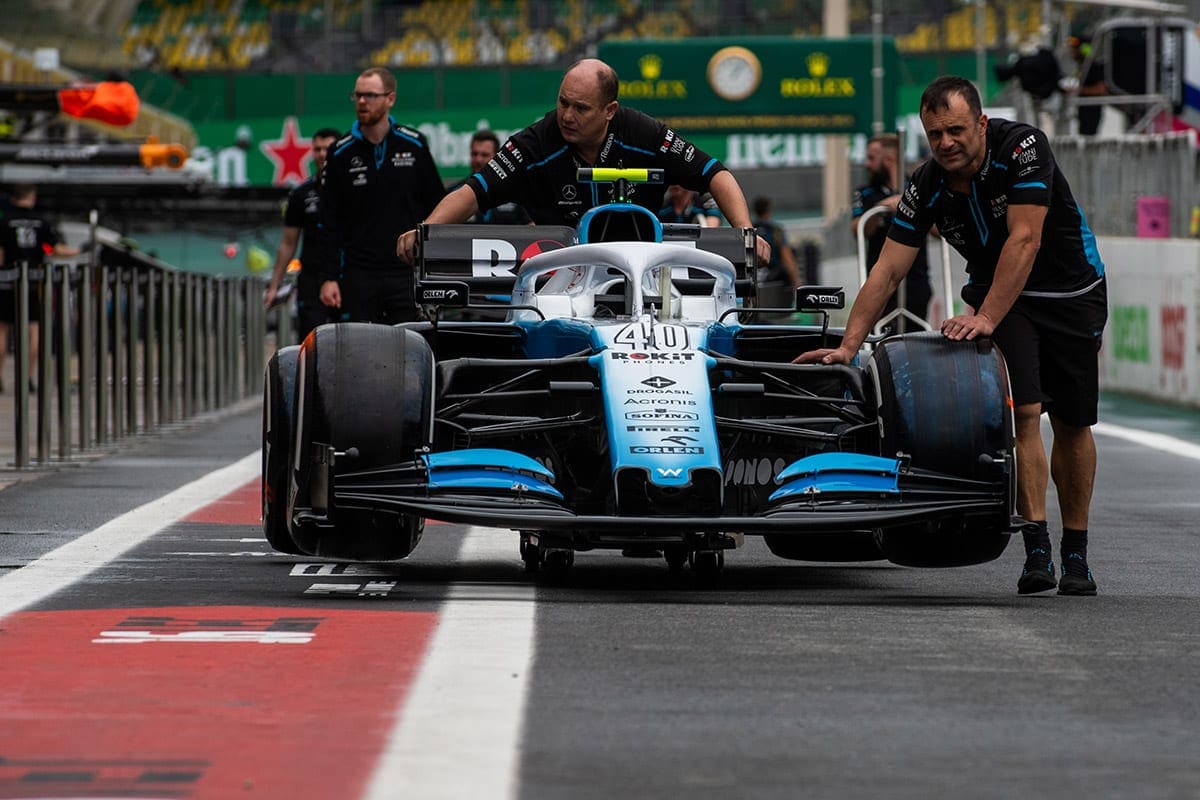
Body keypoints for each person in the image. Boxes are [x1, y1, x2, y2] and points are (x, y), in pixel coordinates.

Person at [795, 76, 1108, 597]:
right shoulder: (925, 183)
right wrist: (849, 345)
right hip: (1001, 298)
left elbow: (1025, 240)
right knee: (1025, 413)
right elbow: (888, 270)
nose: (946, 143)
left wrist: (984, 317)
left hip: (1069, 291)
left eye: (956, 130)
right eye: (935, 134)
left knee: (1073, 422)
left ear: (981, 124)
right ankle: (1037, 548)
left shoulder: (1024, 147)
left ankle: (1077, 552)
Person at [396, 58, 770, 265]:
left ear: (610, 110)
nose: (567, 116)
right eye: (563, 103)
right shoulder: (534, 144)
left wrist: (746, 235)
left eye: (580, 108)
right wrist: (425, 231)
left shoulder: (645, 134)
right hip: (556, 283)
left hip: (642, 281)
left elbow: (715, 174)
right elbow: (473, 192)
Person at [317, 67, 446, 324]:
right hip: (358, 273)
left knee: (411, 340)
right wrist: (329, 277)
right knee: (360, 345)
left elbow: (437, 205)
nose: (362, 101)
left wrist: (434, 266)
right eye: (357, 95)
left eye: (370, 95)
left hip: (406, 272)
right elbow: (328, 220)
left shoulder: (414, 144)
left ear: (390, 99)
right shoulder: (340, 152)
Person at [0, 184, 80, 393]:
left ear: (13, 198)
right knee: (34, 329)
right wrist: (79, 251)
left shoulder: (5, 221)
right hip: (34, 280)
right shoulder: (41, 222)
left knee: (2, 329)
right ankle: (26, 378)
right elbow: (55, 249)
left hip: (7, 280)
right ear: (32, 197)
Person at [263, 127, 340, 342]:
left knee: (350, 340)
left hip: (346, 276)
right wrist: (274, 286)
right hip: (311, 279)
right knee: (310, 342)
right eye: (317, 149)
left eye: (328, 149)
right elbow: (288, 243)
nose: (322, 154)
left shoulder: (354, 190)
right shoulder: (301, 194)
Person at [851, 133, 932, 332]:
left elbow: (939, 230)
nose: (867, 164)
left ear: (888, 160)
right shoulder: (865, 193)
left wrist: (910, 208)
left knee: (916, 338)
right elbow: (857, 229)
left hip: (916, 281)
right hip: (880, 282)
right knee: (881, 338)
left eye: (871, 158)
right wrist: (880, 208)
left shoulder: (918, 187)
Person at [455, 130, 531, 224]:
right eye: (475, 154)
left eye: (484, 155)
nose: (478, 160)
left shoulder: (516, 194)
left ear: (496, 157)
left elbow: (531, 227)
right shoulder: (455, 193)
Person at [751, 196, 800, 288]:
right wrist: (796, 282)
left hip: (753, 277)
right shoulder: (776, 230)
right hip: (774, 279)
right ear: (768, 210)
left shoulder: (750, 229)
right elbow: (786, 256)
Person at [1068, 34, 1106, 136]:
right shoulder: (1082, 66)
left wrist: (1078, 90)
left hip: (1092, 111)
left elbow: (1101, 89)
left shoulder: (1093, 66)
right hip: (1083, 111)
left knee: (1089, 136)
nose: (1072, 51)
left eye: (1075, 48)